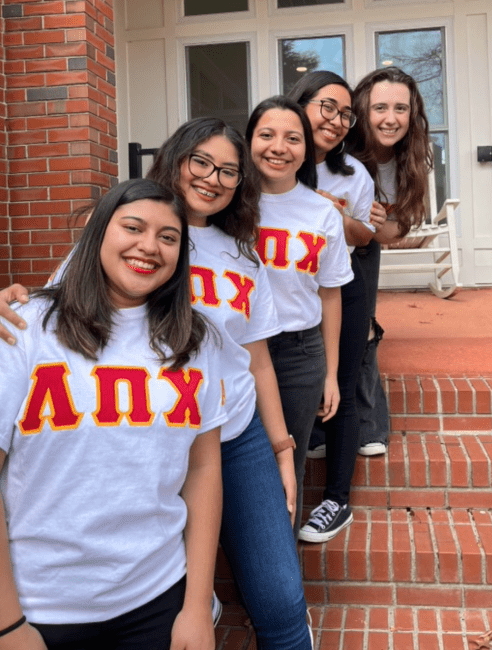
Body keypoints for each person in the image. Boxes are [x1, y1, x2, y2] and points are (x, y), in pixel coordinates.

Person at [0, 118, 314, 649]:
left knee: (280, 598)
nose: (213, 178)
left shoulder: (244, 253)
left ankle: (189, 601)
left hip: (228, 436)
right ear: (175, 157)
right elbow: (58, 312)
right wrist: (11, 303)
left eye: (230, 172)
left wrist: (282, 446)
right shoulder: (124, 227)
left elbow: (257, 357)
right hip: (136, 430)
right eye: (202, 162)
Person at [0, 178, 226, 650]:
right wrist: (7, 623)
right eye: (133, 227)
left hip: (157, 597)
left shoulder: (194, 339)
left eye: (169, 238)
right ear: (99, 231)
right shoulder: (25, 329)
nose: (150, 246)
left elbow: (203, 468)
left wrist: (197, 604)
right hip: (41, 606)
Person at [245, 96, 354, 539]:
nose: (279, 147)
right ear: (248, 140)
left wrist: (329, 373)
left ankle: (281, 571)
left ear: (307, 150)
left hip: (296, 355)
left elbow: (330, 295)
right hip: (231, 352)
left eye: (293, 138)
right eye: (266, 135)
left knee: (284, 464)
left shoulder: (321, 212)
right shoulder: (228, 206)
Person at [286, 71, 378, 542]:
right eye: (328, 107)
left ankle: (337, 499)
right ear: (300, 103)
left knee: (339, 379)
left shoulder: (352, 174)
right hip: (285, 287)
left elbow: (366, 235)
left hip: (342, 281)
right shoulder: (275, 159)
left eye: (346, 114)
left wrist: (331, 212)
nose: (338, 120)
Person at [348, 66, 434, 452]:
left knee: (361, 326)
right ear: (363, 108)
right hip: (314, 249)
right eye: (380, 107)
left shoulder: (411, 159)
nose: (390, 118)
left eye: (400, 108)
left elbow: (398, 230)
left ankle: (367, 428)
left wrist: (368, 224)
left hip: (363, 248)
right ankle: (318, 430)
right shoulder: (341, 149)